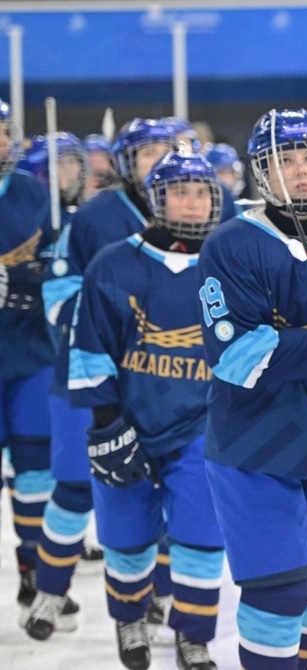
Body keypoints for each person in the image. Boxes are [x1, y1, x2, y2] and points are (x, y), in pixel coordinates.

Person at [197, 108, 307, 670]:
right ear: (261, 172)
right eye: (284, 161)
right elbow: (237, 358)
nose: (300, 171)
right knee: (279, 591)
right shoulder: (231, 245)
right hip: (254, 444)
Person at [69, 153, 226, 670]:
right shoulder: (113, 263)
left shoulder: (228, 262)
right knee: (127, 538)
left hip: (202, 425)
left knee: (202, 536)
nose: (192, 203)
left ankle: (193, 634)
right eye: (179, 192)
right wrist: (105, 424)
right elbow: (90, 350)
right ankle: (129, 617)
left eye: (201, 192)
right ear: (156, 200)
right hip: (127, 423)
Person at [14, 133, 91, 642]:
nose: (69, 175)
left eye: (73, 165)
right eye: (57, 167)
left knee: (37, 471)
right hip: (28, 357)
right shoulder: (27, 205)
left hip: (42, 360)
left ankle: (35, 574)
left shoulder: (84, 220)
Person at [0, 99, 60, 626]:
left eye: (3, 131)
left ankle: (35, 570)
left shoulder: (35, 192)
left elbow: (55, 261)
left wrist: (36, 278)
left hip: (30, 351)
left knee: (36, 465)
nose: (1, 142)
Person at [82, 133, 118, 200]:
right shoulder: (79, 187)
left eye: (100, 159)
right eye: (92, 160)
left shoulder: (119, 188)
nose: (96, 164)